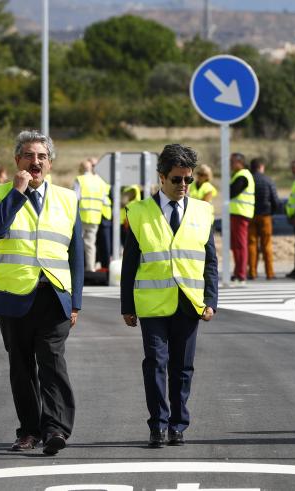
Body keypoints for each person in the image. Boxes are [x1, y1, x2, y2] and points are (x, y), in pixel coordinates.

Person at [0, 130, 83, 455]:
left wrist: (76, 302)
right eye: (28, 155)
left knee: (52, 361)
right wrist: (17, 192)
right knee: (22, 367)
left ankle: (56, 429)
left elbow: (76, 255)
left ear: (50, 163)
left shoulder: (68, 199)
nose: (35, 161)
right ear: (17, 161)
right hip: (13, 297)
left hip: (54, 295)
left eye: (41, 156)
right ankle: (29, 431)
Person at [120, 144, 218, 448]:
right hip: (152, 305)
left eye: (188, 180)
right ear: (162, 178)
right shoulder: (139, 212)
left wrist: (211, 300)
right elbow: (130, 263)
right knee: (156, 364)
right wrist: (127, 305)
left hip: (190, 302)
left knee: (183, 368)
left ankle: (178, 424)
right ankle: (158, 425)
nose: (184, 186)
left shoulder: (203, 211)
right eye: (177, 179)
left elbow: (210, 260)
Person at [75, 158, 110, 272]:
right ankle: (91, 268)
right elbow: (105, 200)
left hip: (81, 216)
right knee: (90, 245)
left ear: (81, 168)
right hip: (95, 217)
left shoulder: (80, 179)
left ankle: (78, 268)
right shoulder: (100, 181)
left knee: (77, 243)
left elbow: (76, 197)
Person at [249, 157, 280, 280]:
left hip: (251, 215)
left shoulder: (249, 179)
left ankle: (252, 272)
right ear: (261, 167)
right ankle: (270, 273)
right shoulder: (268, 180)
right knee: (267, 245)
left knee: (252, 244)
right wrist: (272, 212)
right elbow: (275, 200)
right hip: (265, 216)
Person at [228, 153, 255, 284]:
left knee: (240, 245)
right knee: (236, 246)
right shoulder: (239, 175)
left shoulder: (243, 176)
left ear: (240, 162)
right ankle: (238, 272)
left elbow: (231, 192)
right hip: (237, 214)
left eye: (232, 162)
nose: (230, 165)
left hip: (241, 214)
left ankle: (241, 274)